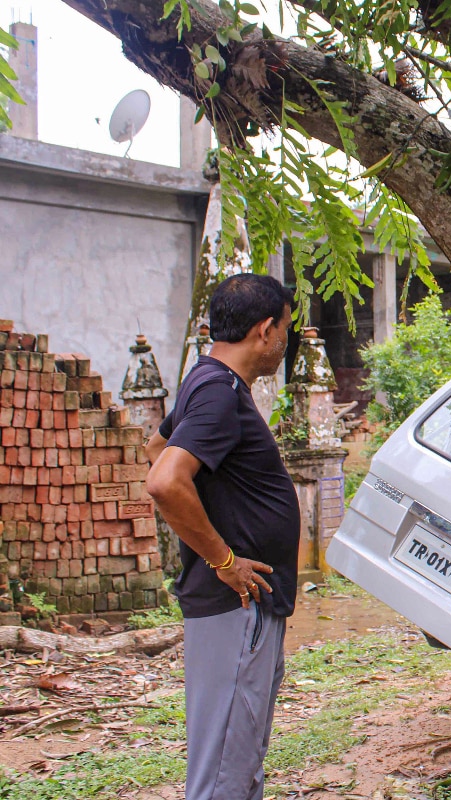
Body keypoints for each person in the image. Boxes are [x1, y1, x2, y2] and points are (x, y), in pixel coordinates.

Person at [145, 274, 300, 800]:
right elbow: (164, 479)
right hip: (236, 604)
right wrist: (224, 557)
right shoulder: (216, 391)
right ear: (264, 330)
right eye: (284, 328)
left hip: (241, 606)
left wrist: (224, 506)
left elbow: (156, 447)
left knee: (240, 756)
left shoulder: (206, 379)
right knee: (223, 774)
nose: (285, 340)